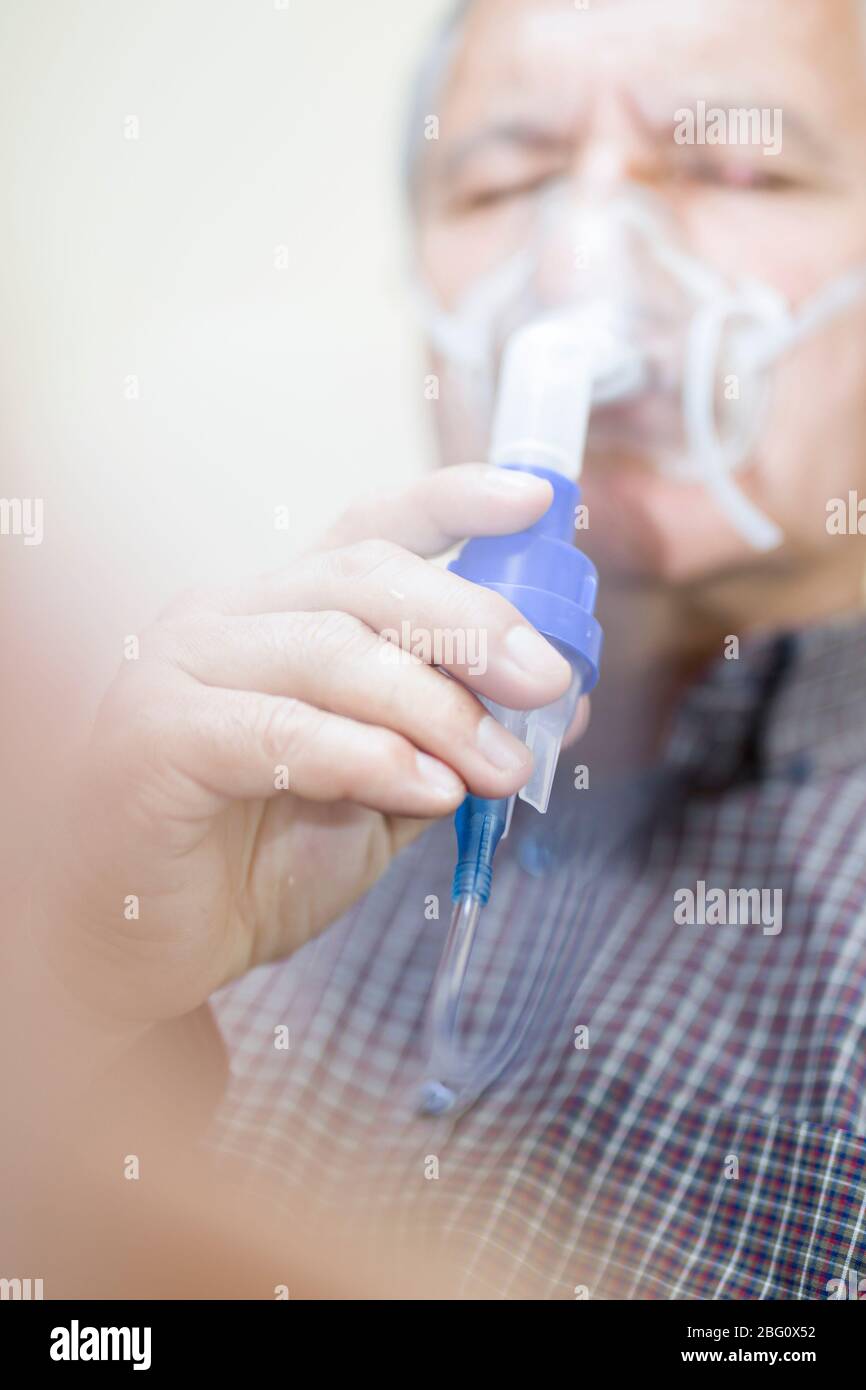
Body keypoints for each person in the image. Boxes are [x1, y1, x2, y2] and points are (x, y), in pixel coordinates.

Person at [22, 0, 866, 1298]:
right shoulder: (241, 789)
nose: (581, 271)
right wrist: (75, 1002)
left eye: (731, 167)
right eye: (506, 179)